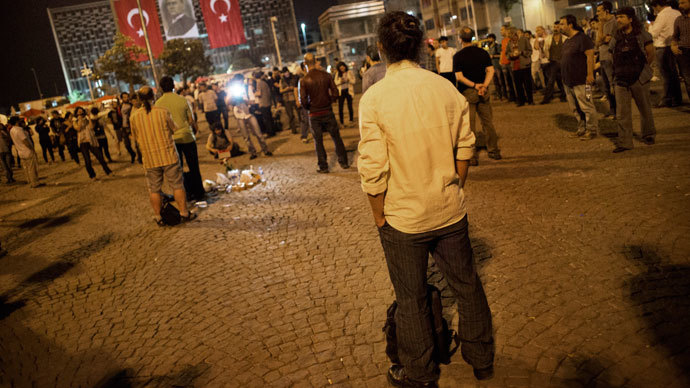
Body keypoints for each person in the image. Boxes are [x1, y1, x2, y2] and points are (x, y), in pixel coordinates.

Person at [358, 12, 494, 387]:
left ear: (382, 49)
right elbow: (466, 147)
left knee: (411, 299)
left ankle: (419, 373)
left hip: (403, 218)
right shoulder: (444, 88)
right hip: (449, 210)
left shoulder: (375, 98)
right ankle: (482, 358)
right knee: (467, 286)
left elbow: (373, 167)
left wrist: (378, 215)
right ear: (419, 46)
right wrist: (455, 185)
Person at [130, 86, 196, 225]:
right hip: (168, 155)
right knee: (177, 185)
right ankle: (184, 213)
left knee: (154, 189)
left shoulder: (134, 116)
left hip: (149, 158)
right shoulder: (163, 112)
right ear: (153, 97)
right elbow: (174, 129)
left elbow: (135, 137)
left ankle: (158, 217)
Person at [610, 7, 657, 153]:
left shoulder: (642, 34)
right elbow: (612, 55)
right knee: (622, 113)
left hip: (639, 78)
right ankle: (625, 142)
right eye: (617, 17)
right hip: (621, 79)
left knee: (644, 108)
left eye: (622, 17)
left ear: (631, 19)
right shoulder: (616, 36)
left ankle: (648, 134)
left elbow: (650, 53)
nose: (619, 20)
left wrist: (641, 71)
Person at [454, 26, 502, 165]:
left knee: (470, 125)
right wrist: (484, 86)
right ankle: (494, 151)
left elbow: (459, 77)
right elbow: (490, 70)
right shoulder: (483, 53)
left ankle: (472, 156)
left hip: (468, 92)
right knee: (488, 123)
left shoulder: (458, 56)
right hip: (483, 92)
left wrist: (475, 86)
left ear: (460, 39)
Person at [155, 76, 206, 201]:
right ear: (173, 86)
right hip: (187, 136)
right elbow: (191, 120)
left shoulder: (158, 104)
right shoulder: (182, 100)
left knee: (178, 169)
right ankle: (199, 192)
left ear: (161, 88)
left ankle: (185, 193)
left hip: (172, 140)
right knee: (194, 165)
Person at [299, 52, 349, 173]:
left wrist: (310, 107)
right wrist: (329, 101)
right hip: (327, 111)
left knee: (318, 141)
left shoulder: (304, 80)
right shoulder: (326, 75)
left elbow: (303, 100)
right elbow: (336, 93)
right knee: (336, 137)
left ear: (305, 63)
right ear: (315, 61)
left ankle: (323, 166)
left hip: (314, 114)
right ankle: (344, 162)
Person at [560, 14, 599, 140]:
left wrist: (590, 74)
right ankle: (581, 128)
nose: (560, 27)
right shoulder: (567, 41)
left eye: (562, 24)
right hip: (568, 81)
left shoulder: (582, 38)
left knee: (587, 105)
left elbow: (590, 57)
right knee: (575, 108)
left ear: (570, 25)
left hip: (582, 80)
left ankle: (592, 130)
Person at [228, 74, 273, 159]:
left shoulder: (247, 88)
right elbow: (227, 102)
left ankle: (265, 150)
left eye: (240, 81)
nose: (239, 83)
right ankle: (252, 152)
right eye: (237, 81)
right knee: (246, 136)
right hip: (239, 115)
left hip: (249, 113)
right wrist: (232, 98)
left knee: (258, 133)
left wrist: (245, 101)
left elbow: (253, 101)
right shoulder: (232, 90)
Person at [650, 0, 683, 107]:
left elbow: (653, 33)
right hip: (675, 45)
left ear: (657, 6)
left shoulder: (662, 15)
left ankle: (667, 99)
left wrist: (650, 26)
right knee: (674, 74)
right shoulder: (677, 13)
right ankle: (677, 98)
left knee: (666, 75)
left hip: (663, 47)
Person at [74, 106, 113, 179]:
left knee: (100, 156)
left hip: (91, 140)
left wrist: (89, 118)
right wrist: (80, 120)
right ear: (76, 114)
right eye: (78, 112)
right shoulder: (75, 121)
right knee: (87, 160)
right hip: (83, 142)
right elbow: (78, 129)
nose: (80, 113)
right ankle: (92, 175)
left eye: (81, 111)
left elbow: (91, 127)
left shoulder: (88, 119)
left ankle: (108, 171)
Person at [596, 1, 618, 118]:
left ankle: (617, 111)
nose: (597, 13)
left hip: (610, 58)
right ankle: (612, 109)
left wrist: (600, 26)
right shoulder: (604, 23)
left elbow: (604, 39)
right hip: (603, 57)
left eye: (599, 11)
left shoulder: (613, 22)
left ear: (606, 11)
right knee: (606, 86)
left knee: (612, 85)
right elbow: (597, 42)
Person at [8, 116, 43, 188]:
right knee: (32, 168)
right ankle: (35, 182)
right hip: (27, 151)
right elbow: (25, 141)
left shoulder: (12, 130)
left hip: (20, 151)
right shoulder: (19, 130)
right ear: (17, 122)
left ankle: (30, 181)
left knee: (26, 168)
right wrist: (32, 148)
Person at [541, 21, 568, 104]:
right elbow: (545, 50)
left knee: (563, 80)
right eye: (554, 27)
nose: (555, 29)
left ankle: (564, 96)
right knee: (551, 81)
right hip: (553, 62)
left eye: (557, 27)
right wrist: (549, 58)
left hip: (563, 61)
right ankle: (547, 98)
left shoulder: (564, 38)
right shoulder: (548, 38)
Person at [506, 28, 534, 106]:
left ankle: (530, 100)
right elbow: (507, 53)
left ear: (514, 34)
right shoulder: (509, 43)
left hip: (525, 65)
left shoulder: (524, 40)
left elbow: (530, 51)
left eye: (510, 34)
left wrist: (521, 52)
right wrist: (510, 55)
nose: (509, 36)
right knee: (518, 85)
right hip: (515, 66)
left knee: (527, 84)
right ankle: (521, 101)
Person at [671, 0, 690, 102]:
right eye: (679, 3)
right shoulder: (679, 20)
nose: (680, 5)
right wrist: (673, 46)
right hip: (684, 53)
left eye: (683, 2)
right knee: (688, 80)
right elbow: (675, 37)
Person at [120, 92, 140, 163]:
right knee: (127, 145)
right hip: (124, 127)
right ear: (121, 98)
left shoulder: (132, 105)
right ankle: (133, 154)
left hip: (130, 126)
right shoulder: (120, 106)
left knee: (136, 142)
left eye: (126, 97)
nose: (126, 98)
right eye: (124, 97)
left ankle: (139, 157)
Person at [279, 67, 300, 133]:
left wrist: (292, 88)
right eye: (285, 73)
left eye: (287, 72)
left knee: (299, 113)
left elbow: (297, 87)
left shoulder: (294, 78)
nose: (286, 73)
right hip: (287, 99)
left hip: (294, 97)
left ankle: (303, 128)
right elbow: (280, 90)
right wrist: (286, 89)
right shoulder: (281, 80)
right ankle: (294, 130)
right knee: (290, 115)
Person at [334, 62, 356, 126]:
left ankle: (351, 120)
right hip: (341, 92)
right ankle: (341, 122)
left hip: (348, 91)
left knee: (350, 106)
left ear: (345, 66)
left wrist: (349, 80)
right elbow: (335, 83)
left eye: (343, 67)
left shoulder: (349, 72)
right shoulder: (337, 74)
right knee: (340, 107)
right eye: (340, 68)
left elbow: (354, 81)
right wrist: (340, 81)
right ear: (339, 68)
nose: (342, 68)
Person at [499, 25, 517, 101]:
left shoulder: (510, 39)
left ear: (506, 30)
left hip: (510, 62)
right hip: (504, 63)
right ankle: (512, 96)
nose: (501, 31)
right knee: (508, 81)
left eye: (502, 29)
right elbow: (502, 51)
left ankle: (518, 96)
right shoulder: (503, 40)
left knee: (514, 80)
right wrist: (501, 60)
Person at [295, 62, 312, 143]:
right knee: (305, 119)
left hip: (312, 100)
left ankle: (314, 134)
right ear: (303, 69)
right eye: (306, 67)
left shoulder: (311, 76)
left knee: (312, 118)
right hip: (304, 101)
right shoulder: (300, 78)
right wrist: (297, 100)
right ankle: (304, 135)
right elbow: (296, 89)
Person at [486, 34, 506, 100]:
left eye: (490, 38)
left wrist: (493, 56)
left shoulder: (497, 46)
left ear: (493, 39)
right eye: (488, 38)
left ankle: (504, 95)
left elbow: (501, 55)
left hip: (497, 65)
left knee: (501, 80)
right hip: (492, 66)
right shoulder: (489, 47)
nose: (489, 40)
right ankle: (499, 95)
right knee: (495, 81)